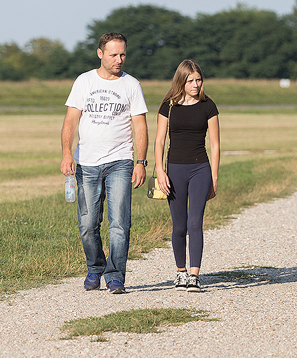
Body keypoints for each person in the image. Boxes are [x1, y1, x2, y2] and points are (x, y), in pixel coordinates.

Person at [60, 32, 148, 294]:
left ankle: (115, 275)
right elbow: (70, 121)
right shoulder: (84, 81)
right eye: (113, 55)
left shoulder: (131, 85)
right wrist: (66, 153)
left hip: (121, 161)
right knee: (88, 224)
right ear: (100, 54)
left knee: (120, 223)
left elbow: (140, 125)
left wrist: (140, 162)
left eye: (122, 54)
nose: (119, 60)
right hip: (87, 164)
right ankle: (95, 267)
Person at [153, 60, 220, 293]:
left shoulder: (208, 106)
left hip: (200, 168)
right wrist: (160, 171)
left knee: (195, 223)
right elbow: (160, 140)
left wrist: (214, 176)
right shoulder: (168, 106)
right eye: (191, 80)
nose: (195, 84)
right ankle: (180, 273)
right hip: (174, 170)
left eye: (198, 80)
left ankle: (194, 275)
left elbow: (215, 144)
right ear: (181, 81)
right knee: (179, 225)